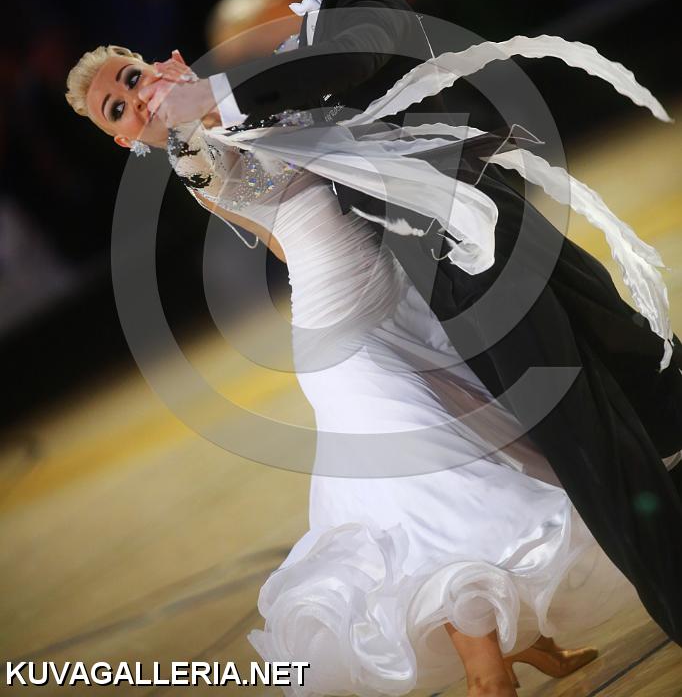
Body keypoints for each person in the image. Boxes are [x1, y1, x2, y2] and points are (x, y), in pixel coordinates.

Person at [140, 0, 682, 649]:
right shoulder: (314, 21)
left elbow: (348, 57)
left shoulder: (358, 0)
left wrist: (210, 92)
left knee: (596, 444)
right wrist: (190, 126)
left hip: (474, 258)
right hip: (480, 244)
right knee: (643, 382)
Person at [66, 37, 677, 696]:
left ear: (160, 64)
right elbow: (209, 152)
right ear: (123, 139)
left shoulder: (234, 104)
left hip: (403, 313)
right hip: (346, 347)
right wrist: (191, 105)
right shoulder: (192, 155)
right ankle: (487, 676)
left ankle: (522, 639)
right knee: (435, 497)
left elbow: (287, 229)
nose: (134, 99)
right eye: (117, 109)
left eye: (131, 78)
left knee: (495, 460)